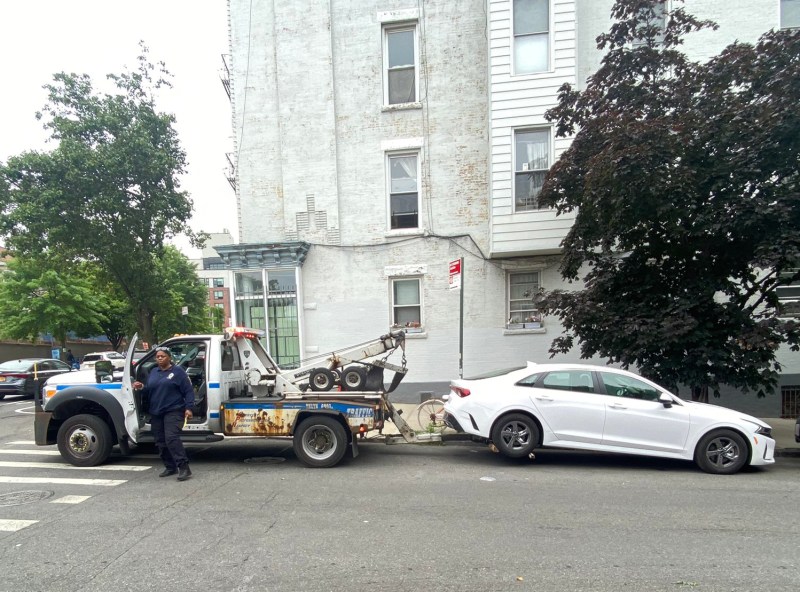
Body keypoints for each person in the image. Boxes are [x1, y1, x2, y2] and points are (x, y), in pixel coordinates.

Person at [132, 347, 195, 481]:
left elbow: (188, 391)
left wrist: (189, 408)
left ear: (169, 358)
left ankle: (184, 468)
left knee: (171, 438)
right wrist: (141, 387)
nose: (160, 358)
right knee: (160, 441)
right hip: (156, 412)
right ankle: (170, 467)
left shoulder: (178, 372)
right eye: (158, 356)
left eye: (163, 356)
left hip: (174, 410)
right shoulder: (154, 371)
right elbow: (150, 389)